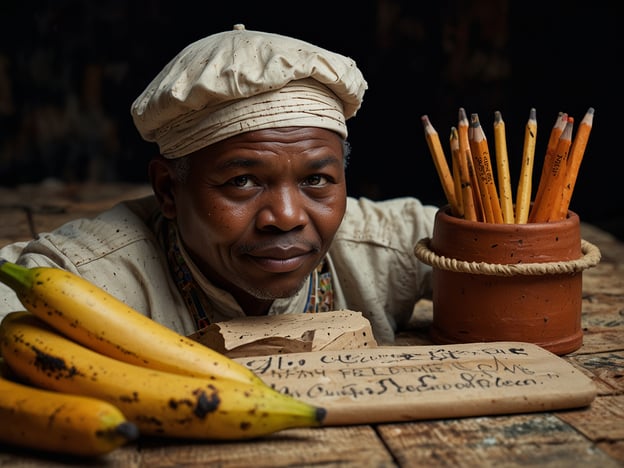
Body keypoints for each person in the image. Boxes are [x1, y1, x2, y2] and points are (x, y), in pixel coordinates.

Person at [0, 24, 437, 345]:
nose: (286, 216)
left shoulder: (381, 247)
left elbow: (491, 251)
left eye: (316, 179)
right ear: (169, 191)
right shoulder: (99, 274)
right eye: (243, 181)